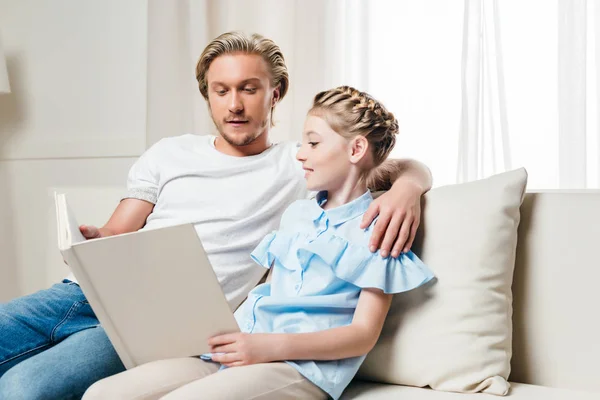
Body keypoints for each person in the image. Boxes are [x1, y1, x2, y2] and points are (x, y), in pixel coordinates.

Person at [0, 32, 432, 399]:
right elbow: (116, 230)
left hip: (159, 324)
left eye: (249, 88)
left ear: (274, 94)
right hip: (83, 291)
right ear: (207, 95)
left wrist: (409, 189)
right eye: (221, 90)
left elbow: (390, 162)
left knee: (20, 389)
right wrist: (94, 239)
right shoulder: (170, 152)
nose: (235, 105)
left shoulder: (300, 164)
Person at [83, 86, 434, 400]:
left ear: (356, 149)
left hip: (301, 367)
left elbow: (362, 334)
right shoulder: (297, 213)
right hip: (241, 347)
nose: (300, 154)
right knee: (102, 393)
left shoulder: (380, 226)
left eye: (313, 143)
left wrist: (269, 346)